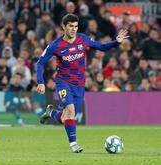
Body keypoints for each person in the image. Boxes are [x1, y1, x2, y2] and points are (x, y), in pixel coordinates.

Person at [36, 14, 128, 153]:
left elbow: (101, 47)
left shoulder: (82, 39)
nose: (73, 29)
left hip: (79, 84)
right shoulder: (55, 45)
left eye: (75, 26)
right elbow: (40, 63)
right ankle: (74, 145)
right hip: (63, 82)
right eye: (70, 26)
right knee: (71, 110)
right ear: (64, 27)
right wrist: (41, 82)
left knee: (67, 117)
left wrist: (116, 42)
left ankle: (52, 113)